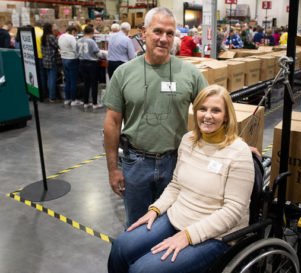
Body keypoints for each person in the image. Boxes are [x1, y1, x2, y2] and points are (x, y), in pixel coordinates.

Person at [108, 84, 255, 273]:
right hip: (177, 217)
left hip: (217, 235)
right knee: (121, 247)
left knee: (142, 270)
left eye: (216, 110)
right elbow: (176, 184)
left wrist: (188, 235)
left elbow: (233, 211)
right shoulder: (188, 140)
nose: (208, 115)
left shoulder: (238, 153)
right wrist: (155, 209)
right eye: (203, 109)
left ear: (226, 116)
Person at [102, 7, 208, 228]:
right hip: (136, 163)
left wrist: (237, 146)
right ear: (144, 33)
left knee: (171, 225)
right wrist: (113, 168)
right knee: (137, 226)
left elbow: (213, 113)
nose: (163, 39)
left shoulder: (190, 74)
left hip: (176, 164)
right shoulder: (124, 73)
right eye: (157, 31)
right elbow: (112, 123)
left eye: (170, 33)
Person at [76, 25, 103, 109]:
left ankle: (86, 102)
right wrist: (102, 55)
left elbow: (76, 52)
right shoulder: (91, 41)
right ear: (91, 33)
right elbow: (97, 53)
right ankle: (95, 103)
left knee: (86, 83)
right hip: (91, 64)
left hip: (82, 63)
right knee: (94, 83)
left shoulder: (78, 41)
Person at [58, 25, 82, 106]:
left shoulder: (61, 36)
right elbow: (76, 49)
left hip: (64, 59)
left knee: (67, 80)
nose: (75, 35)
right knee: (73, 81)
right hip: (72, 59)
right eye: (75, 33)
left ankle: (67, 99)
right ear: (73, 31)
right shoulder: (71, 38)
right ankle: (73, 100)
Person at [41, 23, 61, 102]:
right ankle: (52, 96)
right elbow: (57, 45)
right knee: (52, 79)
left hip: (46, 60)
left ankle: (50, 94)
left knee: (49, 78)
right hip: (52, 61)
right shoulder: (51, 37)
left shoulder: (44, 37)